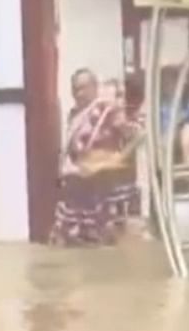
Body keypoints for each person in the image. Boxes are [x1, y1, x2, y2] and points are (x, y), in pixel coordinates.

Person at [52, 68, 140, 246]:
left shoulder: (107, 111)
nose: (79, 93)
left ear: (94, 87)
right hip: (77, 188)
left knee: (108, 242)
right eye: (75, 89)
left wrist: (117, 159)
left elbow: (138, 135)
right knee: (69, 242)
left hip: (103, 189)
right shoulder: (74, 115)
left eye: (83, 88)